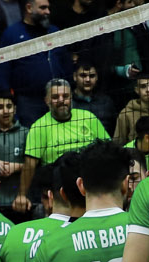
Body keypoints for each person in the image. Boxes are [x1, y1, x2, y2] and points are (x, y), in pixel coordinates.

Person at [16, 78, 105, 211]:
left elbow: (106, 149)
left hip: (91, 187)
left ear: (71, 98)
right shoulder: (39, 127)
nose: (61, 100)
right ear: (47, 100)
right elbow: (30, 164)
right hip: (59, 193)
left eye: (65, 96)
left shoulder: (88, 117)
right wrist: (22, 195)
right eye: (55, 97)